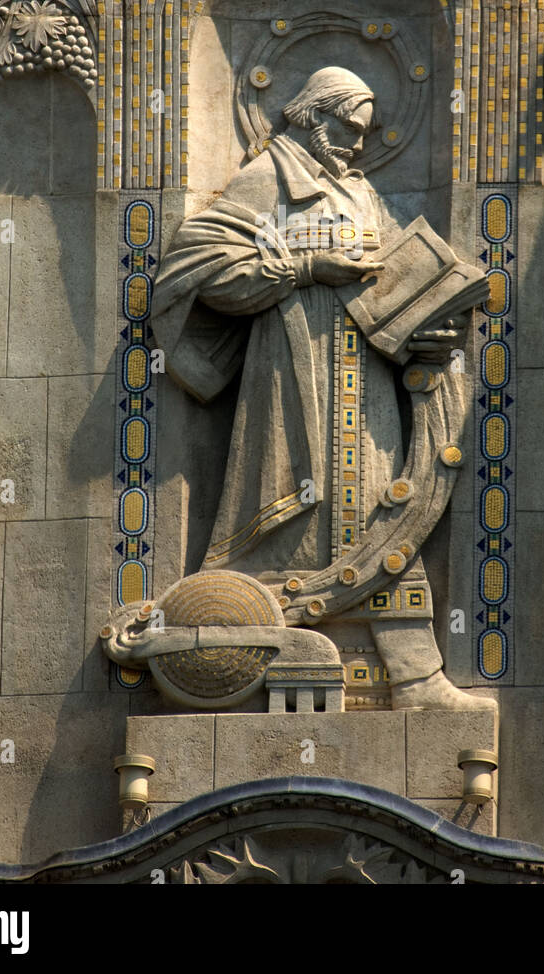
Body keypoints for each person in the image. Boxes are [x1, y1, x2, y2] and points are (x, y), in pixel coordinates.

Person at [151, 66, 472, 706]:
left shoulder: (358, 190)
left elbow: (388, 271)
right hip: (294, 375)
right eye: (347, 129)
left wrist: (426, 326)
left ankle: (411, 676)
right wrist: (303, 267)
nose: (356, 143)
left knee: (383, 502)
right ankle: (243, 647)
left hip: (370, 376)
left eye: (362, 133)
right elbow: (194, 264)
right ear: (310, 115)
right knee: (295, 510)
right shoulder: (267, 175)